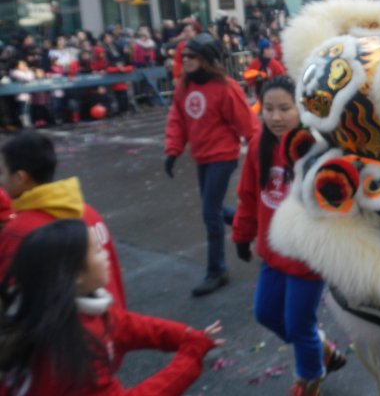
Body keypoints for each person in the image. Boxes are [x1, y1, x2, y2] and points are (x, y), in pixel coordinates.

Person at [0, 220, 222, 395]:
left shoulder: (48, 311)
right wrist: (190, 357)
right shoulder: (76, 347)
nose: (106, 254)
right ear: (75, 275)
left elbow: (126, 325)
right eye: (97, 251)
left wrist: (185, 336)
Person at [232, 77, 346, 396]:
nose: (276, 117)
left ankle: (309, 378)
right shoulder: (259, 144)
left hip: (307, 256)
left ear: (302, 108)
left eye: (285, 108)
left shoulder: (317, 147)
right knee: (265, 313)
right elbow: (248, 196)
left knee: (298, 324)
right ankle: (319, 346)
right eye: (268, 109)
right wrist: (242, 236)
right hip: (273, 253)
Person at [164, 33, 256, 296]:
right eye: (184, 56)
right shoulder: (185, 87)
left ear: (206, 59)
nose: (185, 60)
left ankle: (217, 270)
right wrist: (172, 151)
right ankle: (249, 223)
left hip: (223, 156)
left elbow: (248, 125)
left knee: (209, 212)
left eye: (191, 56)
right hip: (202, 156)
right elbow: (177, 120)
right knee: (212, 207)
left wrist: (262, 154)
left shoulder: (226, 88)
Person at [0, 132, 127, 308]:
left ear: (20, 177)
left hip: (65, 331)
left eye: (2, 173)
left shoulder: (19, 231)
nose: (1, 182)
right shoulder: (88, 212)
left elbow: (12, 297)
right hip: (112, 320)